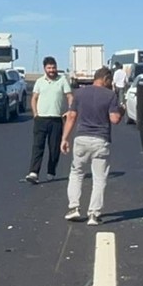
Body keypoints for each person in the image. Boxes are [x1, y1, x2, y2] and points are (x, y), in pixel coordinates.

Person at [60, 66, 123, 225]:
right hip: (100, 141)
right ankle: (94, 215)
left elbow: (72, 116)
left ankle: (74, 207)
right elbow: (114, 119)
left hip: (81, 139)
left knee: (76, 173)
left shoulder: (79, 93)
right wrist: (121, 109)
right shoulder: (110, 96)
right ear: (106, 79)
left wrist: (65, 138)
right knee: (99, 178)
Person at [25, 56, 73, 184]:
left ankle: (51, 171)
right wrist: (35, 113)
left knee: (54, 148)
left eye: (53, 67)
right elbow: (34, 98)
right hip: (41, 119)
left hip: (56, 119)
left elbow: (69, 96)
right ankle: (33, 172)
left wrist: (70, 110)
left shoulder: (62, 80)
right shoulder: (40, 81)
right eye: (49, 68)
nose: (51, 70)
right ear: (44, 68)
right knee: (38, 146)